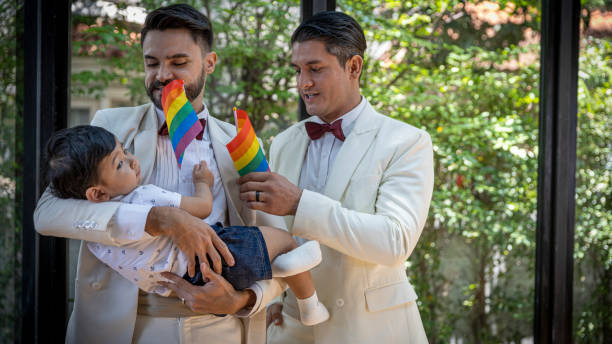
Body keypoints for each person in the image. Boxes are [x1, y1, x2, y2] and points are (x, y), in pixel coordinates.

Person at [34, 4, 286, 344]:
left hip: (220, 329)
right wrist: (156, 218)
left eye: (178, 62)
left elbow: (280, 245)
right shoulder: (110, 127)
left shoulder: (241, 142)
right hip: (128, 330)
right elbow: (47, 214)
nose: (162, 74)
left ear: (209, 63)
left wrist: (244, 300)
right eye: (152, 63)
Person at [238, 11, 434, 343]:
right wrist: (271, 297)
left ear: (354, 67)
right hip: (294, 328)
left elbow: (394, 242)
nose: (303, 83)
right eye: (298, 71)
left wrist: (299, 204)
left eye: (315, 69)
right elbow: (274, 239)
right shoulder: (285, 142)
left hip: (371, 329)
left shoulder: (406, 141)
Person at [44, 124, 330, 326]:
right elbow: (202, 207)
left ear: (208, 62)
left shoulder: (98, 242)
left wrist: (243, 300)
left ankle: (280, 267)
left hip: (187, 286)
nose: (132, 161)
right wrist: (202, 184)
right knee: (286, 243)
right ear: (97, 193)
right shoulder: (144, 196)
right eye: (119, 163)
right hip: (220, 254)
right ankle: (309, 306)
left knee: (282, 252)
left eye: (126, 151)